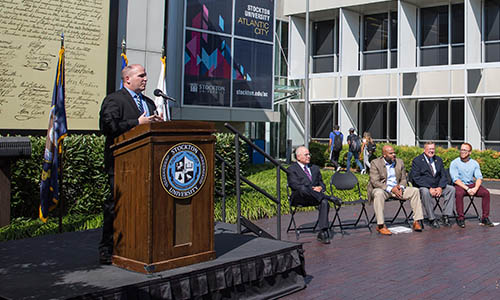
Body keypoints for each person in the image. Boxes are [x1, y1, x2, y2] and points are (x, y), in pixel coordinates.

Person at [98, 64, 163, 264]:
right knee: (116, 206)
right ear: (127, 79)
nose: (145, 79)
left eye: (146, 75)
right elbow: (108, 127)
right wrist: (137, 123)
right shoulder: (114, 100)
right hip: (121, 164)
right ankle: (108, 249)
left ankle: (139, 246)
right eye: (141, 75)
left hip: (147, 165)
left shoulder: (149, 103)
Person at [287, 146, 341, 244]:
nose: (309, 156)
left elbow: (322, 184)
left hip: (314, 197)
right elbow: (294, 185)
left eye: (309, 154)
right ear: (298, 157)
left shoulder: (315, 168)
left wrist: (320, 188)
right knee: (302, 188)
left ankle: (323, 231)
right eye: (306, 155)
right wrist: (312, 189)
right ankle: (329, 198)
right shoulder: (291, 169)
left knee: (324, 202)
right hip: (299, 197)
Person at [367, 144, 424, 235]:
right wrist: (390, 189)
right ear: (384, 155)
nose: (394, 155)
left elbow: (404, 179)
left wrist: (400, 187)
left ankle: (416, 221)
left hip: (397, 188)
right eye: (391, 153)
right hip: (383, 189)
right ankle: (381, 225)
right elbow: (375, 182)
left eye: (394, 153)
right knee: (378, 193)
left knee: (415, 191)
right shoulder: (375, 163)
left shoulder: (399, 162)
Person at [410, 142, 455, 228]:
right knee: (425, 191)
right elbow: (416, 178)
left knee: (451, 189)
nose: (431, 151)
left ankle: (445, 216)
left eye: (433, 149)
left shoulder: (438, 160)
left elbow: (443, 176)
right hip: (424, 187)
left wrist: (440, 187)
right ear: (424, 150)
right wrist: (429, 188)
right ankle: (432, 218)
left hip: (437, 186)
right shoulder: (417, 161)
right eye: (429, 149)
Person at [449, 143, 493, 228]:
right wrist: (467, 189)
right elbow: (455, 179)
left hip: (471, 184)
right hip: (460, 185)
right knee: (458, 194)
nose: (462, 152)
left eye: (465, 150)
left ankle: (485, 218)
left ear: (470, 152)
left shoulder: (474, 163)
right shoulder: (454, 163)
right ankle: (461, 218)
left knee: (486, 193)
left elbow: (479, 177)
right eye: (461, 150)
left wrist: (476, 188)